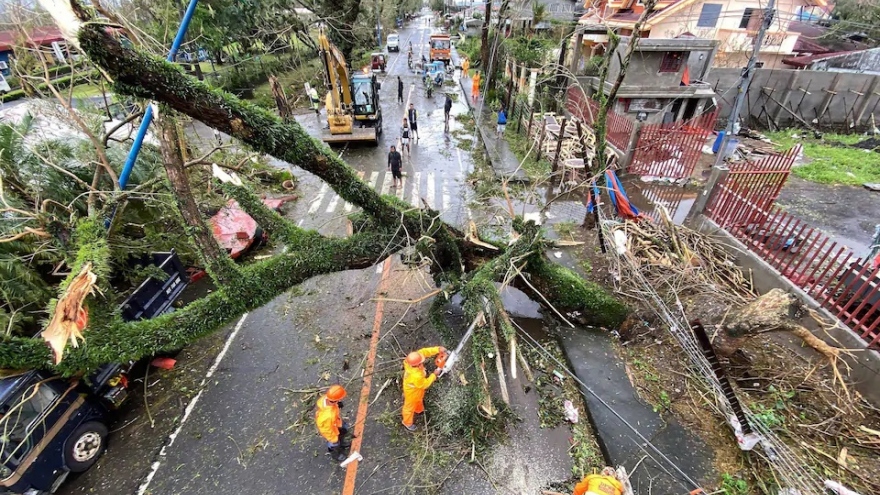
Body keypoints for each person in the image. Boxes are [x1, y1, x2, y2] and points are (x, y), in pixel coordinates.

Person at [401, 346, 447, 431]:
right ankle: (407, 422)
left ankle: (419, 410)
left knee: (419, 400)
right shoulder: (416, 376)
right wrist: (434, 375)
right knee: (409, 407)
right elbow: (425, 384)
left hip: (416, 389)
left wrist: (437, 349)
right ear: (417, 364)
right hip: (412, 392)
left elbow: (424, 352)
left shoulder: (412, 360)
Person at [315, 385, 350, 462]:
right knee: (334, 444)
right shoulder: (328, 416)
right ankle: (336, 454)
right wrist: (333, 438)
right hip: (331, 430)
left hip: (335, 423)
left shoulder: (326, 399)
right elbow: (327, 430)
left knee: (343, 430)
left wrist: (337, 405)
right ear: (336, 400)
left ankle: (341, 442)